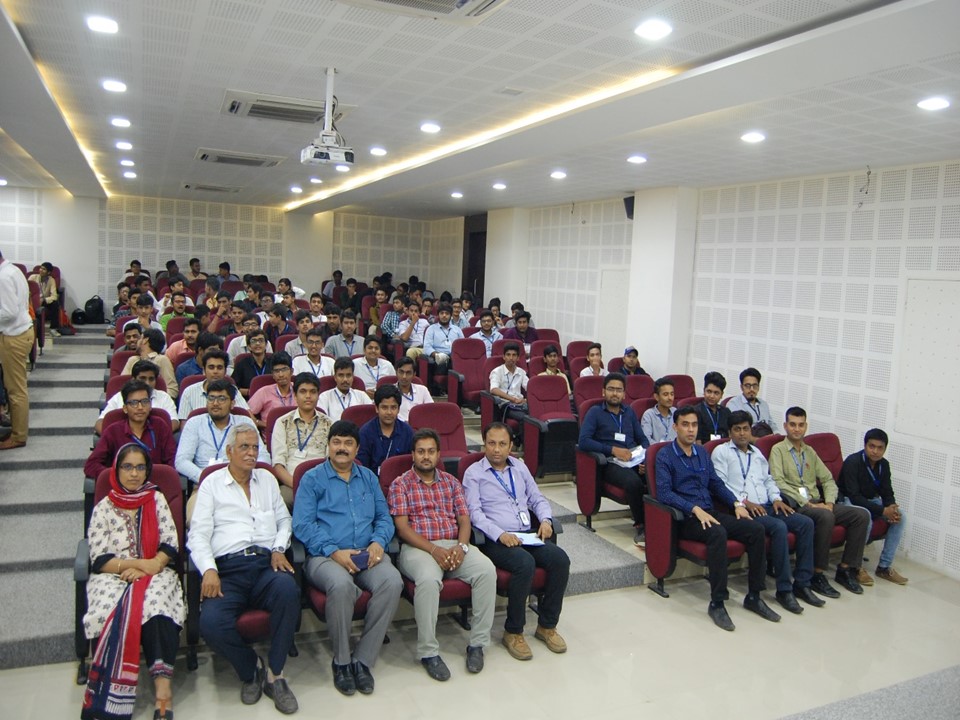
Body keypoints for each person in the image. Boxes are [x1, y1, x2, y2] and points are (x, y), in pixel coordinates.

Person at [188, 426, 299, 715]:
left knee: (288, 590)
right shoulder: (212, 484)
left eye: (255, 448)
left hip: (265, 565)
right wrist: (209, 569)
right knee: (211, 622)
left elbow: (284, 521)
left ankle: (276, 674)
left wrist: (278, 548)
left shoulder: (267, 480)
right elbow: (198, 534)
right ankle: (251, 669)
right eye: (244, 447)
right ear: (229, 452)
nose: (251, 453)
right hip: (227, 570)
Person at [293, 421, 403, 696]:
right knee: (341, 585)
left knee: (392, 581)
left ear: (357, 448)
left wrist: (378, 542)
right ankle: (341, 661)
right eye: (336, 442)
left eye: (348, 443)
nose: (341, 448)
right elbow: (302, 525)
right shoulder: (312, 479)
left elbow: (384, 517)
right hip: (325, 556)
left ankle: (363, 659)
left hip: (366, 553)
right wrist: (334, 551)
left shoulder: (368, 478)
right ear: (328, 445)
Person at [81, 445, 184, 720]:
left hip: (156, 571)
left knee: (157, 607)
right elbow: (99, 559)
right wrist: (137, 565)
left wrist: (152, 566)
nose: (134, 474)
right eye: (128, 467)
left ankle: (163, 692)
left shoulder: (156, 499)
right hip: (113, 575)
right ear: (116, 470)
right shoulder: (104, 507)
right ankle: (109, 689)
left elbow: (170, 544)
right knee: (111, 609)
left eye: (140, 467)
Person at [656, 406, 779, 631]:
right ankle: (718, 602)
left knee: (755, 529)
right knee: (717, 533)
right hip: (685, 518)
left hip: (709, 512)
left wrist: (736, 504)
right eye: (685, 425)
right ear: (675, 427)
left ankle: (754, 595)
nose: (690, 430)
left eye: (694, 425)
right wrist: (694, 509)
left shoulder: (702, 452)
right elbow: (664, 493)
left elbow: (716, 484)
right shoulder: (665, 455)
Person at [387, 429, 496, 680]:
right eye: (421, 451)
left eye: (431, 451)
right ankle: (429, 652)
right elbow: (402, 529)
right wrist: (434, 549)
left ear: (438, 454)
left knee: (486, 571)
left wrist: (461, 547)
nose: (426, 456)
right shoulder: (400, 484)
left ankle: (477, 644)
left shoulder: (451, 482)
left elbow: (464, 520)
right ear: (413, 454)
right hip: (418, 548)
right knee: (427, 581)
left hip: (453, 544)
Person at [463, 422, 571, 660]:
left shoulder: (520, 467)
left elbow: (536, 498)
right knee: (524, 563)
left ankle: (547, 625)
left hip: (527, 534)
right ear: (484, 444)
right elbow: (474, 513)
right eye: (491, 443)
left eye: (502, 444)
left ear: (511, 446)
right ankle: (513, 631)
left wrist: (546, 520)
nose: (496, 449)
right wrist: (500, 534)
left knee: (560, 560)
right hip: (495, 539)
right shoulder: (474, 473)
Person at [712, 411, 821, 613]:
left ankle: (802, 583)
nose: (742, 433)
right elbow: (720, 484)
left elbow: (768, 480)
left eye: (746, 429)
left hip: (768, 505)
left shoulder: (757, 453)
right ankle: (784, 590)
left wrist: (777, 499)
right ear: (730, 432)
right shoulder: (721, 452)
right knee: (779, 527)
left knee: (806, 523)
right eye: (737, 429)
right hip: (744, 510)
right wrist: (745, 503)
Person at [769, 407, 871, 596]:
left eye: (801, 425)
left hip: (819, 502)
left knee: (861, 515)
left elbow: (828, 479)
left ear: (806, 426)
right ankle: (817, 573)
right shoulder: (778, 450)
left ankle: (846, 568)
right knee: (825, 516)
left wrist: (830, 502)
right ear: (785, 426)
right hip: (797, 505)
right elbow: (778, 482)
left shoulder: (809, 451)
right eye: (792, 425)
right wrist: (809, 503)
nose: (797, 429)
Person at [578, 374, 649, 545]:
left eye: (619, 390)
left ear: (624, 394)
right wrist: (612, 450)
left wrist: (643, 459)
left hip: (633, 460)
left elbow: (643, 440)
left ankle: (659, 523)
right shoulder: (595, 412)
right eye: (611, 389)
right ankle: (641, 525)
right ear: (603, 391)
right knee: (633, 483)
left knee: (658, 477)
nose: (615, 393)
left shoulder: (629, 412)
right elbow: (584, 441)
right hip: (609, 462)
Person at [838, 428, 908, 585]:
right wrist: (883, 510)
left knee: (901, 517)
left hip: (870, 501)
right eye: (872, 446)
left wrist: (891, 507)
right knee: (865, 517)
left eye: (880, 448)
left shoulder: (884, 465)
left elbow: (887, 491)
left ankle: (884, 567)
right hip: (847, 500)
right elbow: (854, 496)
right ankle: (856, 567)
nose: (875, 451)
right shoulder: (853, 462)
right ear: (865, 446)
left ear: (885, 449)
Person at [175, 380, 267, 485]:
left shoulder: (245, 422)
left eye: (221, 399)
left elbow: (263, 456)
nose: (215, 403)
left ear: (232, 404)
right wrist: (206, 479)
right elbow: (181, 461)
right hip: (204, 483)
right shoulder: (194, 423)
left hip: (241, 481)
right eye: (211, 398)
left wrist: (245, 476)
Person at [86, 380, 177, 478]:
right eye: (134, 403)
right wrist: (116, 477)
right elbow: (91, 465)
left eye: (145, 402)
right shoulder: (113, 431)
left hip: (155, 482)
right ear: (125, 408)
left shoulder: (160, 426)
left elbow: (173, 460)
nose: (140, 407)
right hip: (122, 483)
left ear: (150, 405)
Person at [271, 372, 333, 506]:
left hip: (322, 484)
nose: (308, 396)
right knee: (280, 500)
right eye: (303, 391)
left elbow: (331, 461)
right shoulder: (282, 422)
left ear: (318, 395)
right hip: (291, 484)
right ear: (295, 395)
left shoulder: (329, 423)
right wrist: (299, 485)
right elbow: (278, 464)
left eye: (313, 392)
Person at [96, 360, 179, 434]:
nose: (147, 383)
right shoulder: (119, 397)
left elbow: (174, 422)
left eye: (151, 379)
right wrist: (112, 438)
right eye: (142, 378)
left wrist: (156, 436)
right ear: (133, 379)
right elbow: (100, 422)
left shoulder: (164, 397)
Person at [176, 350, 251, 418]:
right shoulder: (189, 392)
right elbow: (184, 424)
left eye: (219, 368)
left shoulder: (233, 390)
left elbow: (248, 416)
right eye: (211, 367)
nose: (215, 371)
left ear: (225, 371)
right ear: (204, 370)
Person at [358, 385, 413, 475]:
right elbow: (362, 467)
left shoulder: (407, 431)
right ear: (376, 408)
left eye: (393, 407)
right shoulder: (365, 433)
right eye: (384, 407)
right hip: (373, 480)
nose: (389, 412)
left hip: (402, 479)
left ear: (398, 409)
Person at [121, 328, 179, 400]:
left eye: (140, 338)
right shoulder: (132, 360)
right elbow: (122, 384)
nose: (137, 341)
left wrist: (157, 399)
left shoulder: (162, 360)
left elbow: (172, 390)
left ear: (145, 340)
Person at [488, 342, 528, 439]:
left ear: (518, 358)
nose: (511, 358)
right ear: (504, 357)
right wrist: (512, 399)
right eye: (508, 355)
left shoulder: (521, 372)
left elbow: (531, 388)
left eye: (514, 355)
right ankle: (520, 442)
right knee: (525, 418)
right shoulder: (497, 371)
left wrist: (525, 400)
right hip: (506, 405)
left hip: (520, 404)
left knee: (536, 415)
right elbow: (494, 389)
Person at [248, 352, 295, 429]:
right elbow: (247, 412)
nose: (281, 374)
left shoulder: (299, 390)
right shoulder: (264, 392)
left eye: (284, 369)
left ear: (291, 371)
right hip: (271, 433)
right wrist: (260, 423)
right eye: (276, 371)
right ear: (272, 374)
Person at [317, 357, 372, 422]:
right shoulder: (325, 397)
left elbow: (371, 417)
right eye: (341, 375)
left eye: (348, 375)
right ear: (335, 377)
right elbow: (322, 422)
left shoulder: (362, 396)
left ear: (353, 376)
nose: (345, 379)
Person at [423, 301, 464, 384]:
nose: (444, 315)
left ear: (451, 315)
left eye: (447, 313)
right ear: (438, 315)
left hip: (455, 358)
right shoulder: (431, 329)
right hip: (439, 359)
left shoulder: (457, 330)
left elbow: (463, 346)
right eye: (442, 313)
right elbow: (427, 347)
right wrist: (437, 354)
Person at [726, 367, 775, 433]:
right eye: (748, 386)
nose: (752, 389)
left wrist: (777, 435)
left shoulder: (764, 404)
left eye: (755, 386)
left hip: (765, 437)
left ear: (758, 387)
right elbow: (737, 430)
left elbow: (771, 424)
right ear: (741, 387)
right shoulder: (733, 404)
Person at [232, 328, 273, 398]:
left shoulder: (274, 362)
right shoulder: (241, 364)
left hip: (271, 398)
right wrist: (250, 391)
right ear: (249, 346)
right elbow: (233, 387)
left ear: (266, 345)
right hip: (249, 399)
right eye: (254, 341)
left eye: (261, 340)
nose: (257, 343)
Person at [696, 371, 732, 444]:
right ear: (704, 391)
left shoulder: (726, 412)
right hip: (705, 448)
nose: (712, 396)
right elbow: (697, 441)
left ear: (722, 395)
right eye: (709, 391)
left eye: (716, 393)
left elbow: (730, 436)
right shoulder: (696, 411)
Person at [395, 356, 433, 422]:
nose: (404, 376)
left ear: (414, 374)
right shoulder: (389, 392)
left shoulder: (423, 390)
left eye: (408, 373)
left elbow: (431, 411)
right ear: (396, 372)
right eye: (401, 372)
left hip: (420, 425)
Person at [28, 261, 61, 336]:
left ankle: (53, 329)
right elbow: (26, 291)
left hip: (44, 301)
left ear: (48, 272)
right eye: (41, 268)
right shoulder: (33, 277)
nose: (41, 270)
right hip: (32, 301)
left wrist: (44, 300)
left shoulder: (51, 280)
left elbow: (54, 296)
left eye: (44, 269)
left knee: (55, 304)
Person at [641, 377, 677, 443]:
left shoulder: (676, 412)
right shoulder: (649, 415)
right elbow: (646, 439)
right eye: (665, 394)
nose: (670, 398)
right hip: (657, 449)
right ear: (656, 397)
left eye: (672, 394)